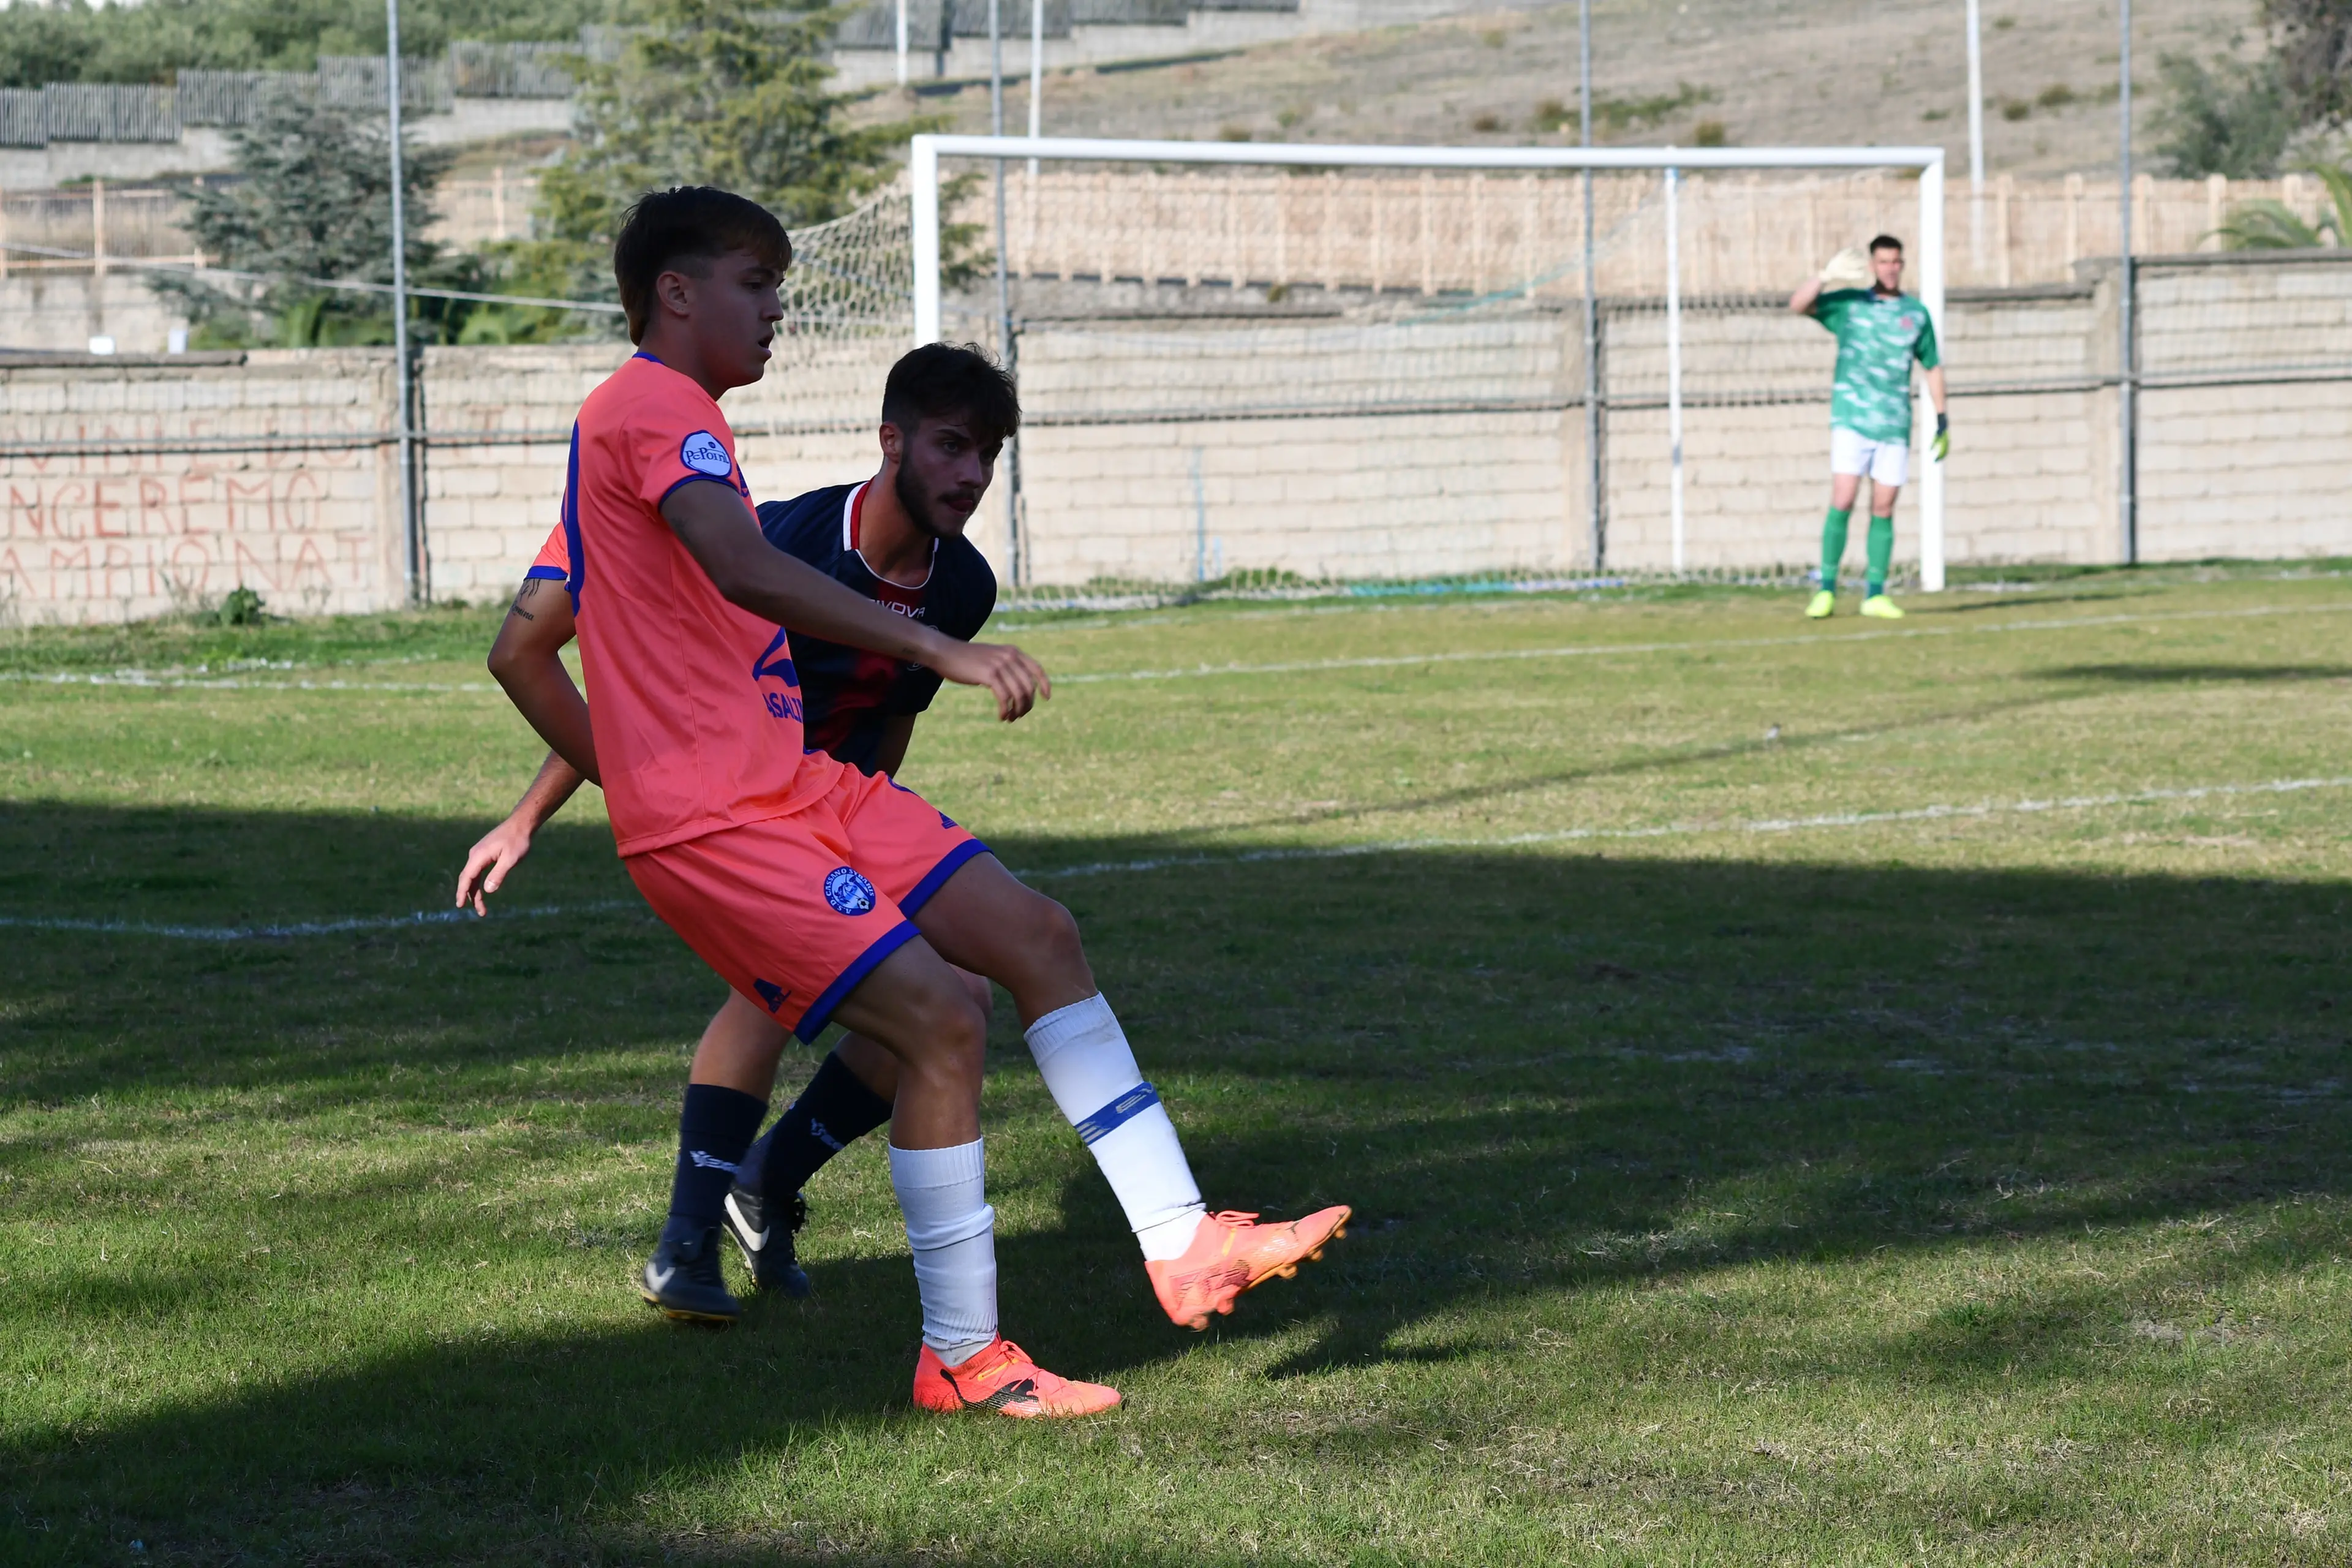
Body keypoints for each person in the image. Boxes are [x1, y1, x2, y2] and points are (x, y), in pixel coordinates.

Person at [472, 190, 1346, 1418]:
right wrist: (931, 654)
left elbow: (524, 648)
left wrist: (638, 767)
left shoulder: (654, 430)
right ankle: (961, 1354)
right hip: (729, 818)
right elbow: (730, 567)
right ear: (676, 292)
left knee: (1035, 935)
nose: (775, 306)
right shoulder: (656, 415)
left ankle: (1182, 1238)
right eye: (754, 281)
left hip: (805, 785)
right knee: (938, 1017)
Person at [459, 342, 1009, 1303]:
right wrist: (531, 813)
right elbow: (654, 699)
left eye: (989, 454)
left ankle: (759, 1187)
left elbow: (889, 725)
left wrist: (864, 842)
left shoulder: (962, 587)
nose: (971, 474)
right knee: (797, 1001)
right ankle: (689, 1239)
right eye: (953, 446)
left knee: (956, 993)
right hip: (737, 815)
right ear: (894, 443)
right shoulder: (781, 548)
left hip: (832, 811)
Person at [1789, 235, 1948, 621]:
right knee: (1843, 498)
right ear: (1872, 265)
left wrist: (1943, 418)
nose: (1890, 268)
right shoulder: (1851, 306)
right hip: (1852, 420)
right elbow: (1799, 305)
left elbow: (1931, 365)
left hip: (1893, 424)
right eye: (1883, 261)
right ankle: (1826, 590)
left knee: (1884, 506)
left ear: (1902, 265)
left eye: (1896, 261)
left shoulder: (1916, 314)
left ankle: (1874, 594)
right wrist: (1825, 276)